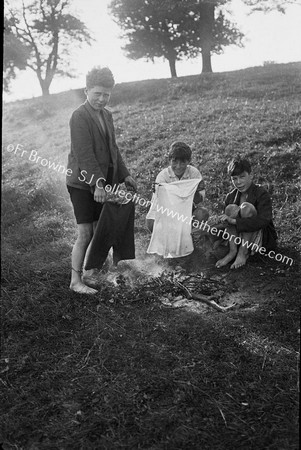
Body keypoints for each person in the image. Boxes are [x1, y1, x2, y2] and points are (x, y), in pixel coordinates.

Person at [66, 66, 136, 294]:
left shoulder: (107, 115)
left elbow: (113, 149)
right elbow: (84, 153)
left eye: (106, 94)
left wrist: (124, 174)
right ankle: (75, 282)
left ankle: (92, 271)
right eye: (97, 93)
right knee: (85, 233)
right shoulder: (79, 116)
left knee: (99, 231)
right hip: (81, 182)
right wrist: (97, 182)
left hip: (101, 183)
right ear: (86, 91)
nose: (102, 99)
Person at [215, 156, 277, 269]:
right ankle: (232, 252)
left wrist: (234, 221)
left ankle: (243, 253)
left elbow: (263, 220)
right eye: (234, 179)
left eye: (242, 177)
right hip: (239, 237)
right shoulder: (230, 196)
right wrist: (218, 223)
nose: (238, 182)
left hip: (259, 237)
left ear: (251, 175)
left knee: (246, 208)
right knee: (230, 208)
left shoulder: (261, 193)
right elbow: (227, 223)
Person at [146, 141, 208, 233]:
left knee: (202, 213)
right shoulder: (163, 176)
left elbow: (199, 200)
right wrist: (159, 191)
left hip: (187, 212)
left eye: (183, 163)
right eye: (174, 161)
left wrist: (196, 190)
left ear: (189, 161)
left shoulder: (194, 173)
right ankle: (169, 238)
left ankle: (189, 237)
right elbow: (159, 204)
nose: (178, 166)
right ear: (169, 160)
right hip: (167, 212)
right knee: (151, 223)